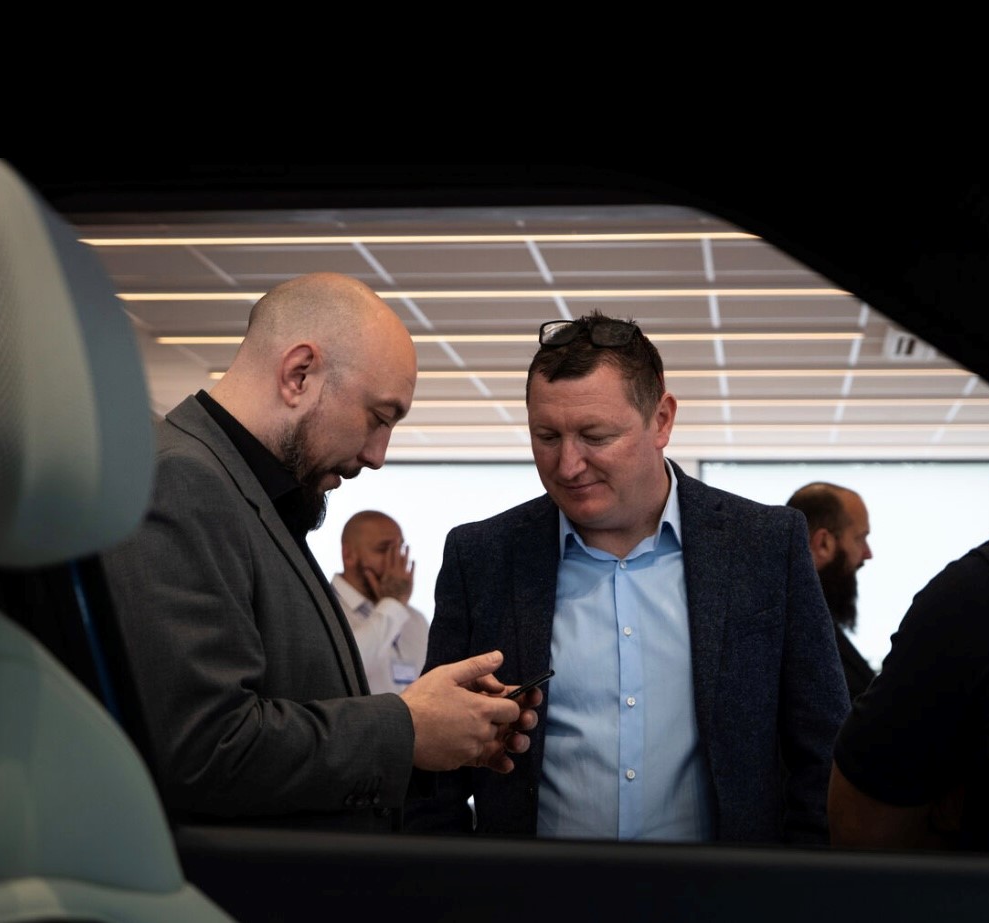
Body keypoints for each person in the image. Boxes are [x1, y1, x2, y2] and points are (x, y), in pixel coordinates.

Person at [99, 271, 539, 834]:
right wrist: (406, 729)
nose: (378, 455)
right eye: (378, 417)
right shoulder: (183, 481)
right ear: (299, 374)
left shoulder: (255, 495)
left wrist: (438, 724)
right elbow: (205, 747)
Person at [406, 311, 850, 845]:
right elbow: (436, 768)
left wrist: (800, 878)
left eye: (595, 436)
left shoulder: (764, 545)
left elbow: (822, 746)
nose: (568, 465)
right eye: (547, 436)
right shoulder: (482, 557)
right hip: (530, 885)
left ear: (661, 420)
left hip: (727, 885)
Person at [828, 403, 989, 854]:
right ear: (824, 543)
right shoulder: (984, 595)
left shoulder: (987, 594)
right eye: (861, 539)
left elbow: (862, 828)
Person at [785, 482, 876, 702]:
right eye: (860, 538)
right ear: (823, 543)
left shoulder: (802, 618)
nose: (867, 553)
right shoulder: (796, 633)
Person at [332, 510, 430, 694]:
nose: (397, 560)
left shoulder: (415, 620)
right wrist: (393, 603)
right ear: (348, 555)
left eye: (400, 549)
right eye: (383, 549)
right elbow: (341, 669)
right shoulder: (324, 608)